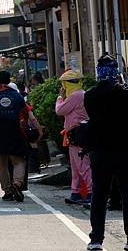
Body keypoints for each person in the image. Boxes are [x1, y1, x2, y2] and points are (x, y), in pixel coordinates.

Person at [84, 54, 128, 251]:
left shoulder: (90, 95)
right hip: (124, 151)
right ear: (116, 71)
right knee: (127, 195)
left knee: (99, 196)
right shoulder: (124, 94)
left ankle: (96, 239)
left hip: (99, 152)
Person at [0, 71, 28, 202]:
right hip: (14, 130)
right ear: (9, 81)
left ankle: (7, 191)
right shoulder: (16, 95)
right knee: (18, 160)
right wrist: (23, 122)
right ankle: (17, 184)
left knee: (1, 163)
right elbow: (24, 113)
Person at [55, 70, 92, 204]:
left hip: (77, 133)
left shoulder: (75, 96)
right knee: (76, 166)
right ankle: (75, 192)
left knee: (82, 165)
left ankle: (90, 192)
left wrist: (60, 98)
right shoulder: (82, 93)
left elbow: (60, 110)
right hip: (74, 133)